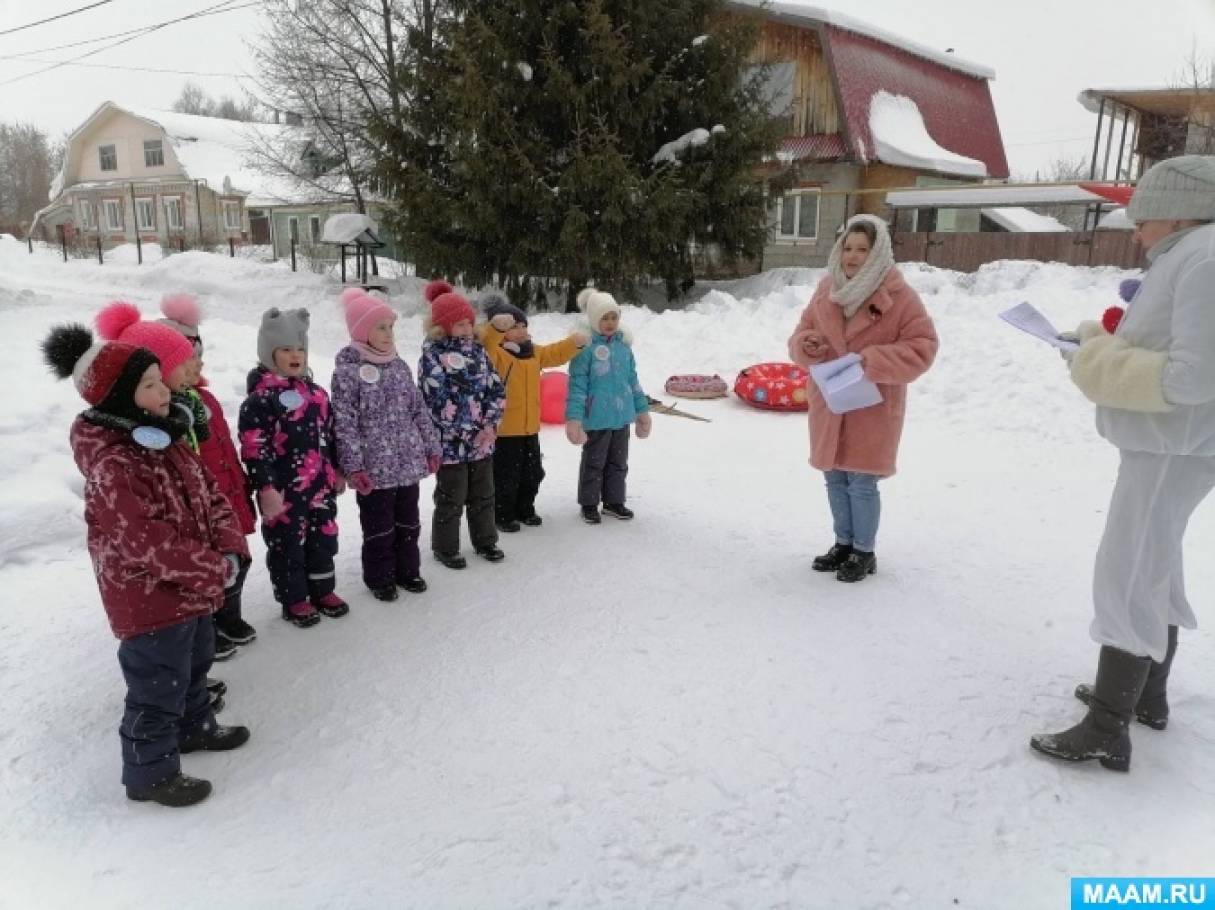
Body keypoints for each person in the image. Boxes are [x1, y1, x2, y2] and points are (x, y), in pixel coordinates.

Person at [1031, 155, 1215, 772]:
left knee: (1128, 569)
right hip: (1171, 443)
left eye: (1143, 218)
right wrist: (1100, 344)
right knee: (1154, 560)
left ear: (1179, 213)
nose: (1135, 230)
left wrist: (1094, 360)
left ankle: (1107, 726)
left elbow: (1192, 378)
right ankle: (1147, 698)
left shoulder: (1204, 259)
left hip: (1173, 444)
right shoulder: (1190, 255)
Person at [42, 321, 250, 807]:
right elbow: (145, 542)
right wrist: (211, 569)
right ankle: (149, 773)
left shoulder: (167, 438)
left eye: (161, 380)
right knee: (157, 686)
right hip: (148, 600)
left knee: (194, 665)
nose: (164, 391)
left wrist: (229, 545)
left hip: (192, 590)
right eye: (150, 384)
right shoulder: (114, 465)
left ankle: (194, 727)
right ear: (119, 397)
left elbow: (210, 495)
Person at [787, 214, 938, 582]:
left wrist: (874, 361)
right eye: (848, 248)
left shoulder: (899, 296)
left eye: (862, 249)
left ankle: (864, 551)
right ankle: (843, 544)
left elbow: (923, 347)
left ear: (878, 252)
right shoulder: (827, 289)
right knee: (835, 477)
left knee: (861, 480)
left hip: (873, 405)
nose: (852, 256)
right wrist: (808, 344)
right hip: (830, 399)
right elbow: (800, 334)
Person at [96, 299, 243, 663]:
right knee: (167, 662)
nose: (192, 365)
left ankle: (195, 679)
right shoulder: (123, 456)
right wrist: (210, 566)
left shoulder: (177, 417)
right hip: (155, 591)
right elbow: (144, 537)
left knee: (191, 647)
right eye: (180, 361)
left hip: (194, 543)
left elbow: (206, 471)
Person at [158, 293, 259, 649]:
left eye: (198, 357)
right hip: (196, 504)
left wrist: (241, 483)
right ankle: (208, 628)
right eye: (189, 359)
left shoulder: (205, 399)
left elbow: (225, 447)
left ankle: (229, 616)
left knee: (237, 559)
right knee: (208, 566)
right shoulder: (166, 408)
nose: (197, 365)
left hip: (225, 495)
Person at [238, 308, 349, 628]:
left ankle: (322, 590)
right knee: (287, 544)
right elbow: (254, 447)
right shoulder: (260, 400)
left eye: (300, 348)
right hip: (283, 491)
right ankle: (294, 598)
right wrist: (266, 488)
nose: (295, 355)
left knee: (323, 538)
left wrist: (338, 469)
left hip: (320, 486)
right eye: (286, 349)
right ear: (269, 352)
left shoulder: (316, 394)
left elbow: (332, 434)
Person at [331, 288, 442, 601]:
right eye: (380, 327)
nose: (388, 333)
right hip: (374, 470)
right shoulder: (347, 372)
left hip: (407, 464)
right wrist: (354, 467)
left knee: (409, 524)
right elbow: (345, 424)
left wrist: (431, 447)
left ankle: (408, 570)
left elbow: (418, 410)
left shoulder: (399, 366)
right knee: (379, 528)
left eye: (391, 327)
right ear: (361, 331)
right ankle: (380, 578)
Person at [477, 293, 587, 531]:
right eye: (513, 327)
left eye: (523, 325)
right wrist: (494, 328)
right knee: (506, 476)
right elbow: (486, 343)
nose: (520, 331)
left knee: (533, 472)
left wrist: (573, 343)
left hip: (530, 428)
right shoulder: (495, 354)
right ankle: (503, 514)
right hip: (506, 430)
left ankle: (525, 509)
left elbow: (553, 353)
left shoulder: (532, 351)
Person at [417, 280, 507, 568]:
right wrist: (469, 432)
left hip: (483, 441)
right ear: (442, 327)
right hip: (451, 444)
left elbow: (495, 388)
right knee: (451, 497)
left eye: (469, 322)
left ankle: (485, 540)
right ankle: (445, 547)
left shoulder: (478, 351)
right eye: (459, 324)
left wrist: (490, 425)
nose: (467, 329)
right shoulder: (432, 356)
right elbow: (437, 402)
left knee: (483, 494)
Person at [565, 289, 651, 524]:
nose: (610, 323)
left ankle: (614, 502)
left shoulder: (624, 348)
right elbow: (577, 386)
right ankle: (589, 503)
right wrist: (574, 418)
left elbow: (633, 381)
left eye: (614, 317)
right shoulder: (586, 349)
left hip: (621, 417)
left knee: (618, 462)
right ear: (594, 319)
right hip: (597, 417)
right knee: (594, 463)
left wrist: (642, 411)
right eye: (604, 318)